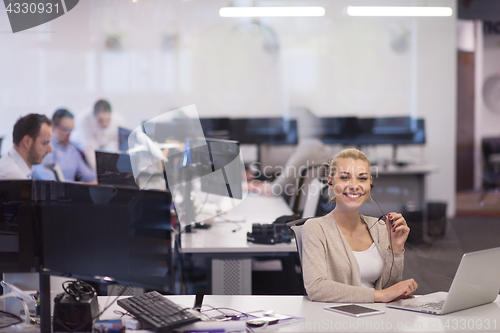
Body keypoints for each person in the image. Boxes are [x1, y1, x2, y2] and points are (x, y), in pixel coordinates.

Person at [302, 148, 418, 303]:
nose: (354, 185)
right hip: (336, 320)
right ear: (330, 181)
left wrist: (396, 249)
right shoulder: (316, 228)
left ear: (370, 182)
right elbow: (316, 288)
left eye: (362, 178)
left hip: (376, 319)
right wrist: (379, 296)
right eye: (344, 178)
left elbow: (390, 289)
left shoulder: (379, 228)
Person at [33, 109, 97, 184]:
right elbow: (51, 181)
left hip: (70, 193)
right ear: (53, 127)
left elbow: (88, 175)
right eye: (66, 129)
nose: (69, 134)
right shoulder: (46, 148)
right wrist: (84, 185)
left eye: (71, 130)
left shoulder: (72, 149)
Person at [71, 99, 124, 171]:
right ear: (94, 116)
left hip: (102, 147)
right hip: (82, 150)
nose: (105, 124)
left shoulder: (118, 120)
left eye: (108, 120)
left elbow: (119, 146)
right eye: (101, 120)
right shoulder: (84, 120)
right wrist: (100, 173)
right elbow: (89, 150)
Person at [0, 114, 52, 180]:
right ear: (27, 142)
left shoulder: (12, 166)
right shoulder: (14, 176)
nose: (49, 150)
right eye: (44, 143)